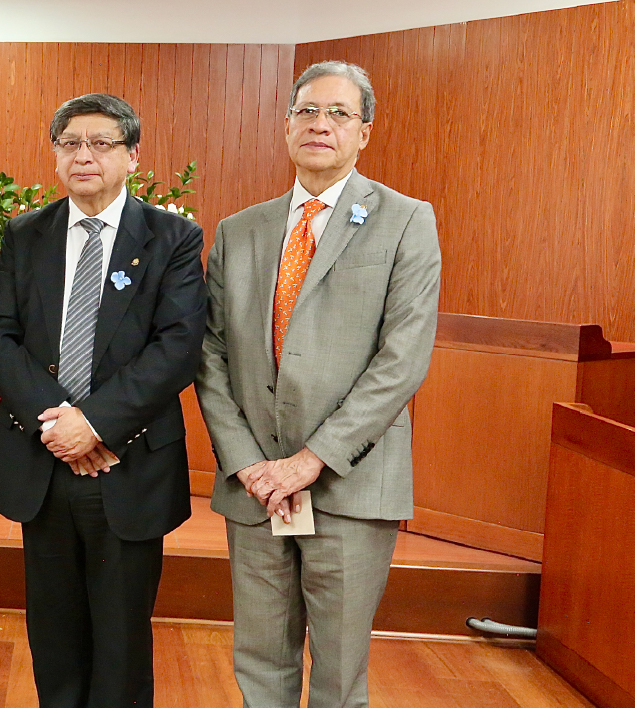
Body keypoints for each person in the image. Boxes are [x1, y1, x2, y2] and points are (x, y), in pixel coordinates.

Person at [196, 60, 441, 708]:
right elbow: (211, 354)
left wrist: (309, 461)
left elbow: (402, 361)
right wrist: (250, 465)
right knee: (259, 662)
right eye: (306, 110)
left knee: (336, 676)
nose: (320, 124)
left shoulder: (407, 221)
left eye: (338, 113)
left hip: (349, 485)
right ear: (285, 127)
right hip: (255, 490)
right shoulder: (238, 230)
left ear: (365, 131)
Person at [0, 93, 206, 707]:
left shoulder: (172, 238)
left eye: (102, 143)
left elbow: (178, 346)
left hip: (130, 463)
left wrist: (96, 425)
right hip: (44, 462)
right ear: (55, 155)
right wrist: (59, 424)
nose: (84, 156)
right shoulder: (26, 234)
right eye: (70, 143)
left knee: (122, 638)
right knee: (53, 636)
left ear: (132, 155)